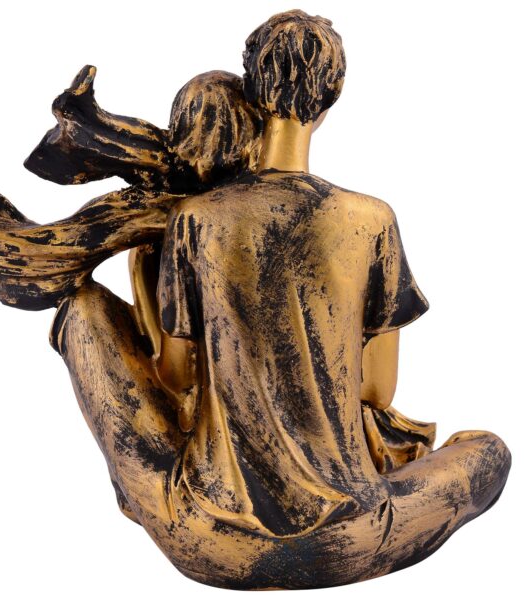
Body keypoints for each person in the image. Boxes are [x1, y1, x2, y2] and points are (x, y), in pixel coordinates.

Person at [143, 9, 511, 588]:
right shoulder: (371, 220)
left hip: (217, 529)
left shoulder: (195, 220)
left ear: (252, 91)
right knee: (487, 451)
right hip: (352, 530)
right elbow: (376, 390)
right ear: (331, 97)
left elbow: (176, 375)